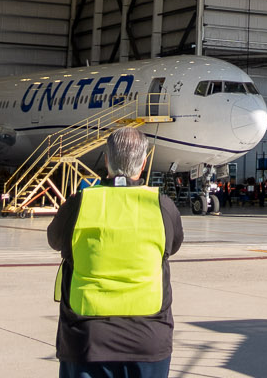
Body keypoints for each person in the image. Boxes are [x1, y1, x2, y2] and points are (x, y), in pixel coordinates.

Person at [47, 127, 184, 378]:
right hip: (148, 338)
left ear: (107, 160)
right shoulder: (163, 206)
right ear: (143, 163)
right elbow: (173, 246)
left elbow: (54, 240)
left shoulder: (80, 203)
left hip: (88, 338)